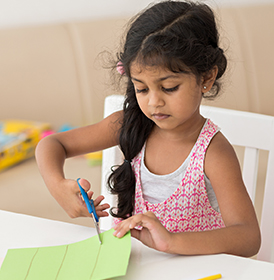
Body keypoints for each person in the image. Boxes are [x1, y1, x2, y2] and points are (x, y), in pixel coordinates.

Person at [36, 0, 261, 257]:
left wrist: (171, 242)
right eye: (141, 88)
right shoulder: (129, 123)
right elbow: (52, 144)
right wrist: (58, 185)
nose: (154, 102)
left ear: (207, 78)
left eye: (169, 88)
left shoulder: (213, 152)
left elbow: (248, 237)